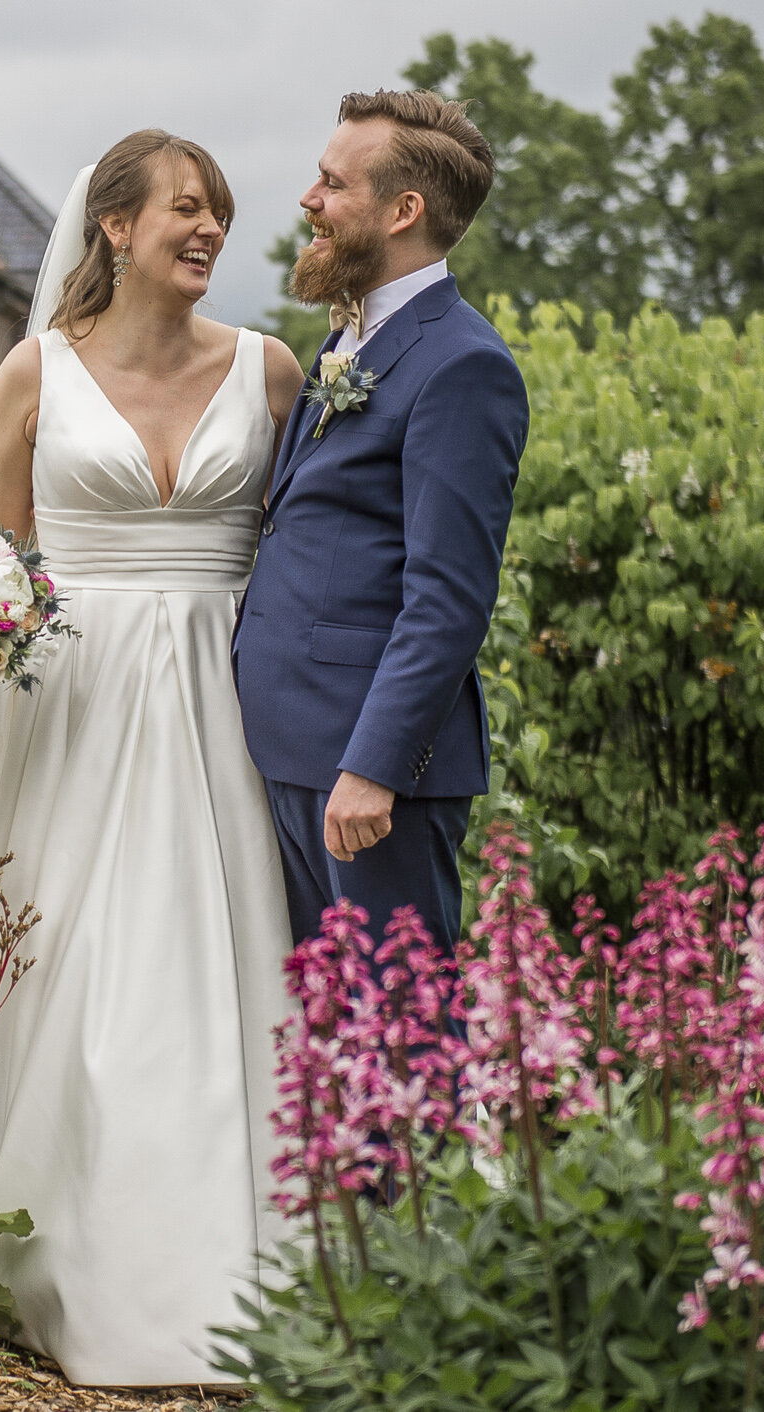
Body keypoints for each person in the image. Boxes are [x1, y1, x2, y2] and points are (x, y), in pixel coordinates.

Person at [0, 129, 304, 1386]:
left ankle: (215, 1259)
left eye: (220, 213)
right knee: (73, 965)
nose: (208, 232)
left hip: (221, 697)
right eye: (185, 210)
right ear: (114, 227)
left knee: (208, 955)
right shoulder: (34, 372)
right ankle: (58, 1254)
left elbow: (306, 550)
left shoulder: (273, 370)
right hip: (75, 704)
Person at [233, 91, 526, 965]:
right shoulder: (344, 345)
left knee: (400, 1041)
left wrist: (375, 767)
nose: (308, 200)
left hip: (366, 778)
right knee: (328, 1044)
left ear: (404, 212)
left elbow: (450, 598)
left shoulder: (463, 365)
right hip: (291, 747)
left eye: (332, 183)